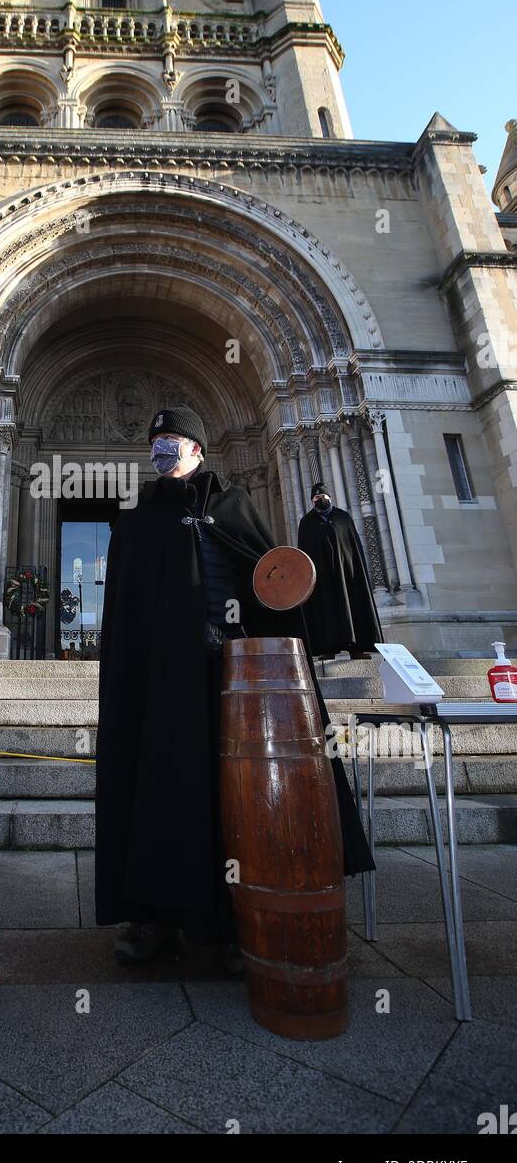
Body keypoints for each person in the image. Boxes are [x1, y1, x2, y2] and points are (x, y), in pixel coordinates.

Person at [95, 405, 374, 970]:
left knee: (236, 791)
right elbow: (126, 614)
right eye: (157, 442)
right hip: (160, 685)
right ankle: (153, 916)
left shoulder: (234, 506)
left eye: (173, 439)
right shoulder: (138, 520)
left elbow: (273, 584)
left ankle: (228, 918)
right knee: (159, 788)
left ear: (198, 449)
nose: (163, 450)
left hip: (234, 677)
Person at [298, 482, 384, 660]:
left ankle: (357, 647)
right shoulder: (307, 523)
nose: (320, 500)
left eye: (323, 497)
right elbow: (304, 552)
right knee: (325, 608)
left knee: (352, 606)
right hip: (321, 578)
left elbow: (353, 548)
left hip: (347, 573)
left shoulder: (343, 518)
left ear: (330, 497)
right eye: (316, 498)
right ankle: (327, 647)